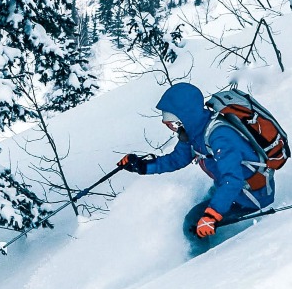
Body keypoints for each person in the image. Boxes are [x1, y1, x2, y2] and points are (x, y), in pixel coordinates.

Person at [118, 81, 275, 247]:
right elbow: (176, 159)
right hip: (230, 186)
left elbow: (233, 180)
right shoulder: (195, 132)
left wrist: (212, 216)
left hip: (252, 195)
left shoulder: (219, 135)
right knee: (207, 200)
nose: (171, 127)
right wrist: (141, 166)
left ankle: (201, 266)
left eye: (171, 121)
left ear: (184, 117)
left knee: (191, 223)